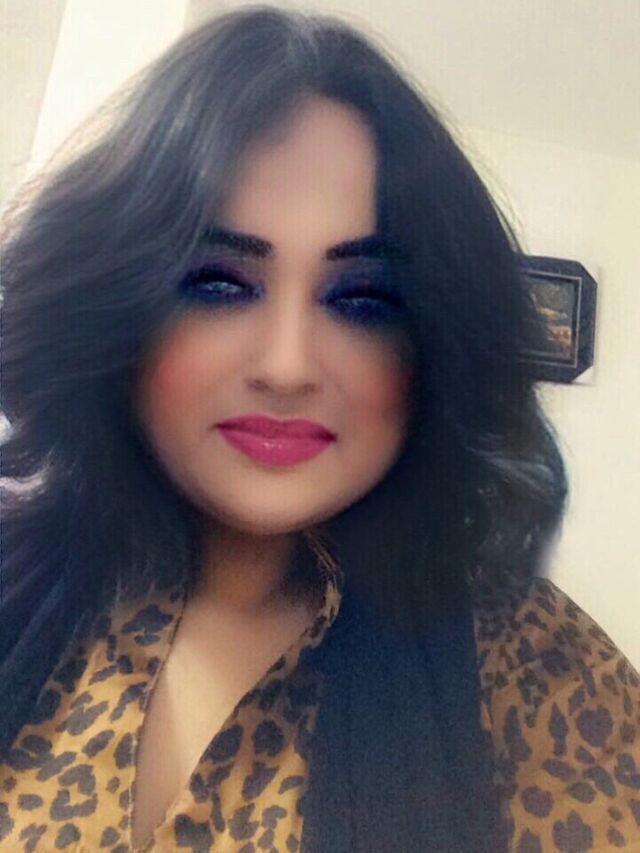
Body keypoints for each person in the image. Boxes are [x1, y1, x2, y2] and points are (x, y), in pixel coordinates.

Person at [0, 6, 638, 852]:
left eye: (363, 298)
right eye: (218, 283)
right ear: (119, 309)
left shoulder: (543, 671)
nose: (288, 365)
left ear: (433, 348)